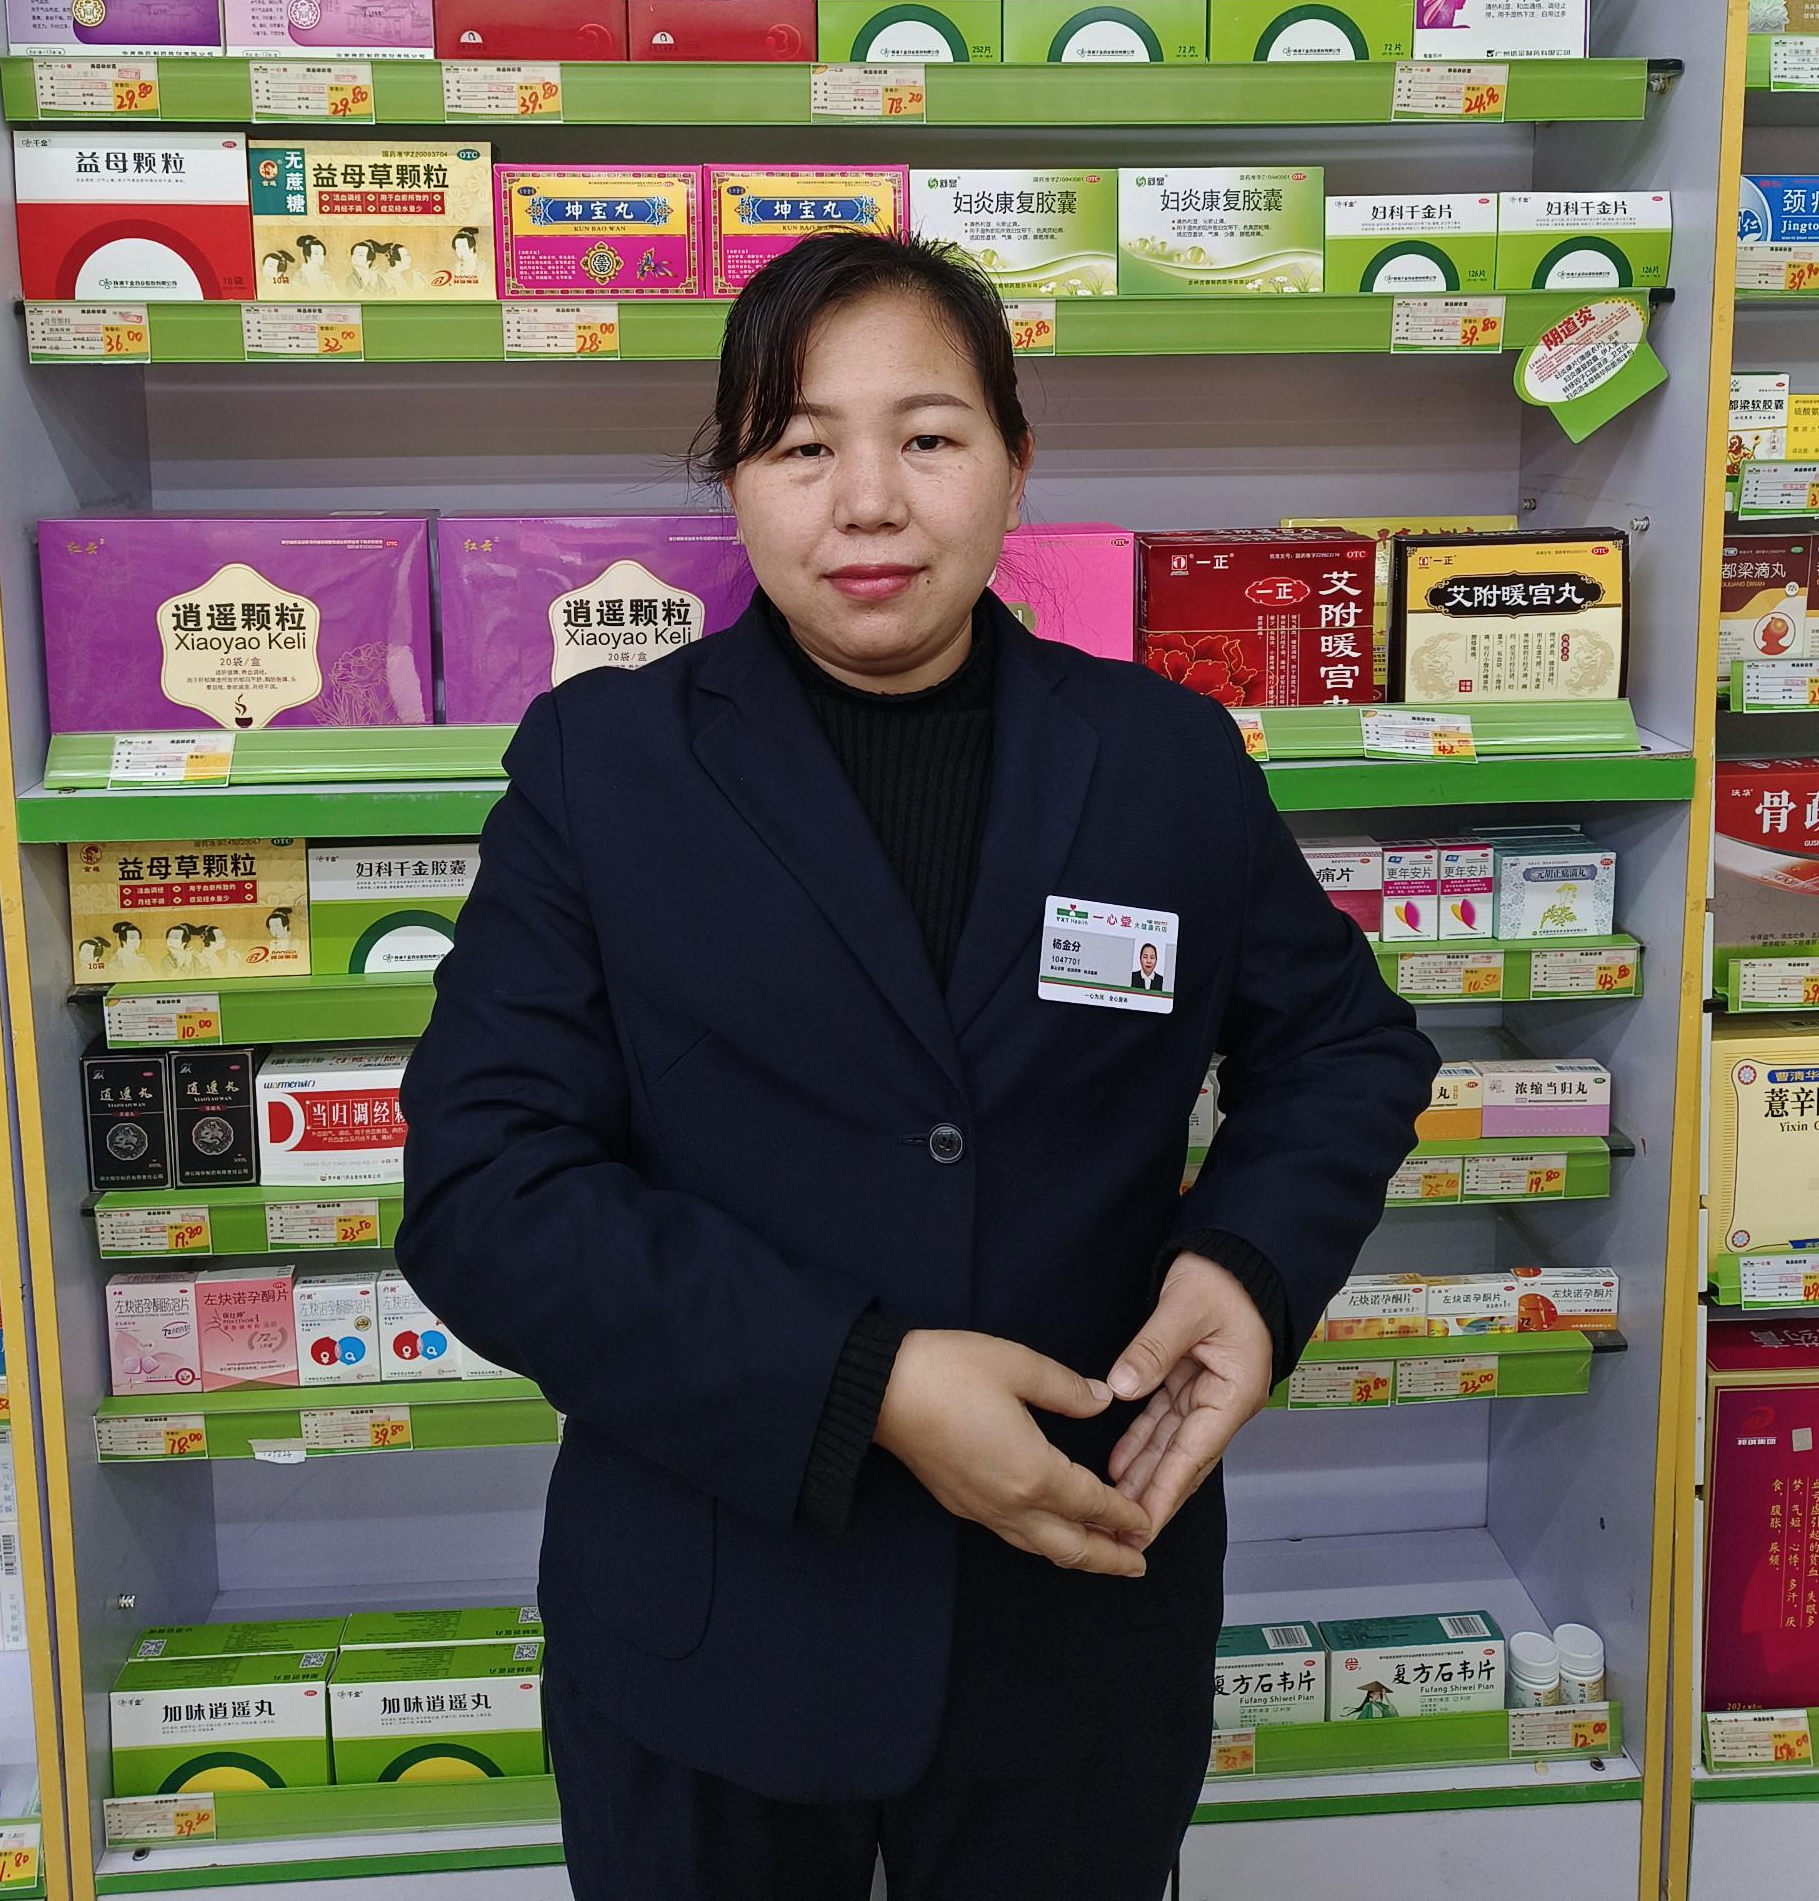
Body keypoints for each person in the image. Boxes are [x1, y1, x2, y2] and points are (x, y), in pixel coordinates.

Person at [396, 233, 1435, 1901]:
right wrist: (861, 1382)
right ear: (734, 485)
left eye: (929, 437)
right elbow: (484, 1190)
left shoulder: (1160, 757)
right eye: (802, 445)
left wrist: (1245, 1266)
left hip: (1079, 1615)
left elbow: (1342, 1044)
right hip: (711, 1635)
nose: (868, 501)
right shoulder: (606, 769)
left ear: (1017, 464)